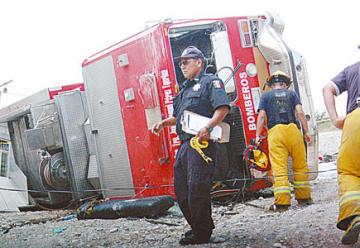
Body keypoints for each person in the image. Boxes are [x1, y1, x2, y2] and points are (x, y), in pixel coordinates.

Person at [151, 46, 229, 245]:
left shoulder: (211, 82)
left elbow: (222, 108)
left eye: (186, 61)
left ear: (199, 62)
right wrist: (162, 123)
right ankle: (198, 227)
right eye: (180, 62)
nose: (182, 65)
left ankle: (202, 234)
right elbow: (178, 117)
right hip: (185, 144)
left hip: (201, 143)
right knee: (182, 190)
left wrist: (209, 127)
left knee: (197, 187)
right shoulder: (183, 89)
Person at [255, 70, 313, 211]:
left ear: (270, 85)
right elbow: (299, 112)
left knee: (279, 168)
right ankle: (304, 198)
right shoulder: (292, 94)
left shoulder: (265, 96)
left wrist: (257, 135)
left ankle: (282, 203)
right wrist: (306, 132)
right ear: (286, 84)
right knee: (300, 165)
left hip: (275, 132)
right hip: (293, 130)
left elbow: (262, 116)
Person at [323, 60, 360, 245]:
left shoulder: (352, 69)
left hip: (355, 119)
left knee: (349, 172)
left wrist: (335, 119)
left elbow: (327, 88)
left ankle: (355, 216)